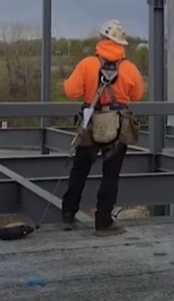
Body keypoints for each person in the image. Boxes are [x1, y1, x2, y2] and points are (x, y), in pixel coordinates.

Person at [60, 19, 145, 236]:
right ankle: (104, 221)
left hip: (91, 125)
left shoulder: (88, 64)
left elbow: (70, 91)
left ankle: (68, 213)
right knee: (111, 175)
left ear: (102, 40)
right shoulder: (129, 68)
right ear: (120, 43)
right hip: (118, 128)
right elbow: (138, 95)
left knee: (79, 170)